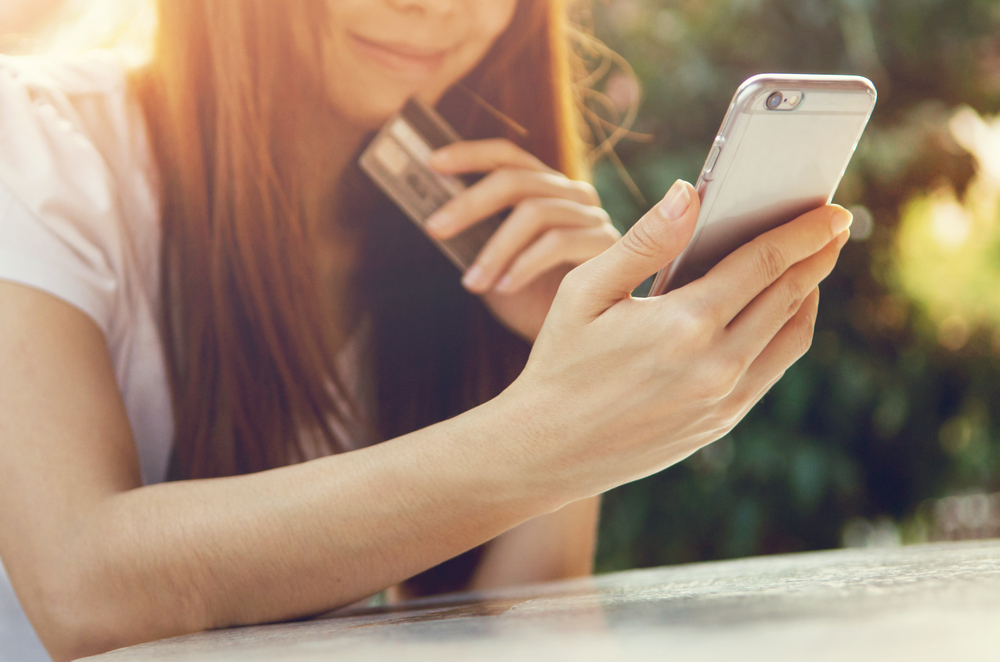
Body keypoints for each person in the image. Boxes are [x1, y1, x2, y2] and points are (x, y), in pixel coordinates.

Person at [0, 1, 852, 660]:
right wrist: (553, 432)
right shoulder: (38, 140)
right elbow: (78, 589)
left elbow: (524, 631)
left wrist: (555, 352)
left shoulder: (475, 221)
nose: (438, 6)